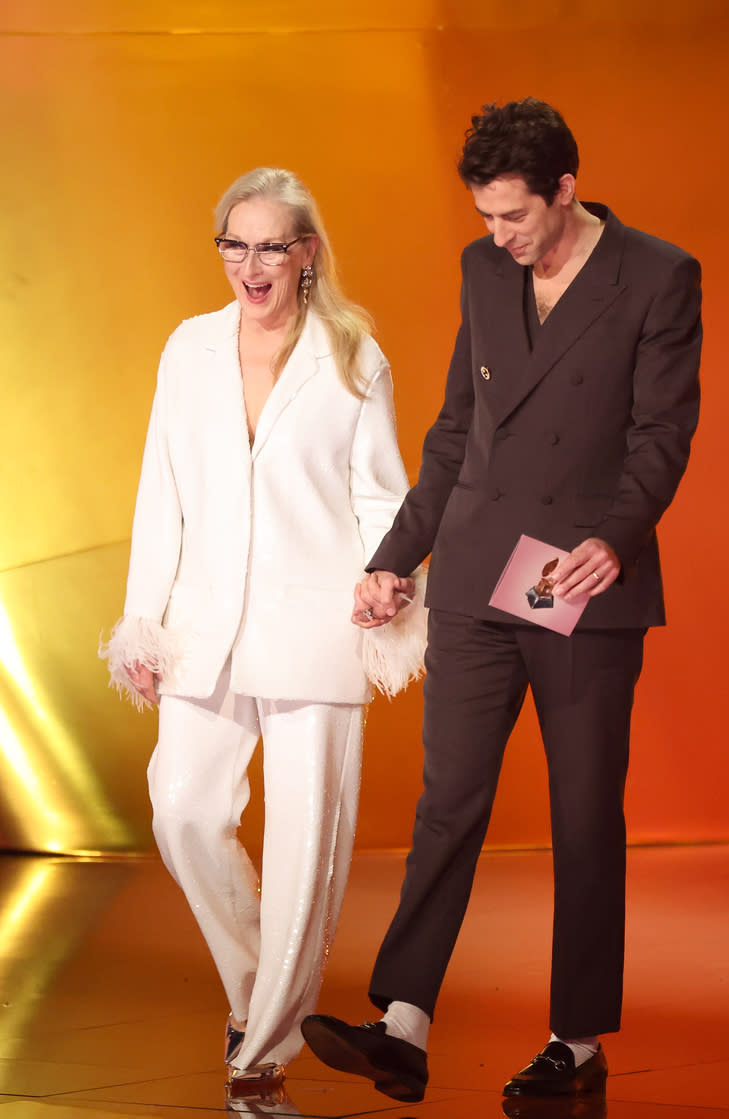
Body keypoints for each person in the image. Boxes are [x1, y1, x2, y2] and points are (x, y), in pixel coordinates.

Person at [301, 98, 702, 1102]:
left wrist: (612, 538)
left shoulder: (656, 275)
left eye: (514, 216)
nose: (497, 237)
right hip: (481, 572)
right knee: (448, 800)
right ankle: (402, 1019)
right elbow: (454, 430)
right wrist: (397, 557)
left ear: (565, 189)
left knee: (579, 816)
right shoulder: (485, 272)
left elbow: (660, 432)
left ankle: (573, 1041)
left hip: (575, 575)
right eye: (484, 217)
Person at [99, 167, 425, 1099]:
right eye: (234, 244)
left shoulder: (353, 356)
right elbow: (159, 491)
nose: (250, 264)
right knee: (184, 809)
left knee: (306, 844)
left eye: (271, 245)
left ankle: (263, 1048)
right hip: (206, 623)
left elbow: (381, 492)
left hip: (317, 622)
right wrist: (144, 621)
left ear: (306, 253)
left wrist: (390, 581)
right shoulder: (188, 349)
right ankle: (259, 989)